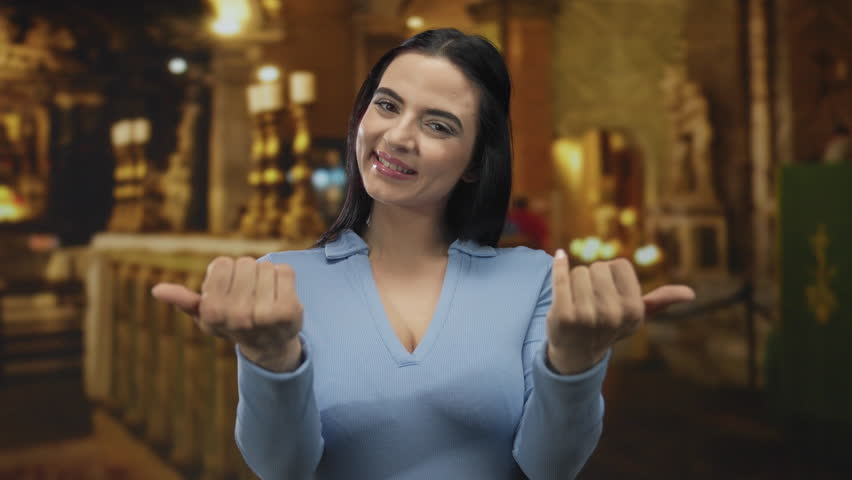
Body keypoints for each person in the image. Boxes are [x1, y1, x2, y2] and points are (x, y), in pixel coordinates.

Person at [152, 28, 695, 480]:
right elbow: (282, 469)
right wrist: (271, 362)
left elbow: (548, 467)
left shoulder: (533, 280)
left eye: (438, 125)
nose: (397, 136)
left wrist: (575, 362)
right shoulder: (282, 279)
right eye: (386, 106)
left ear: (476, 163)